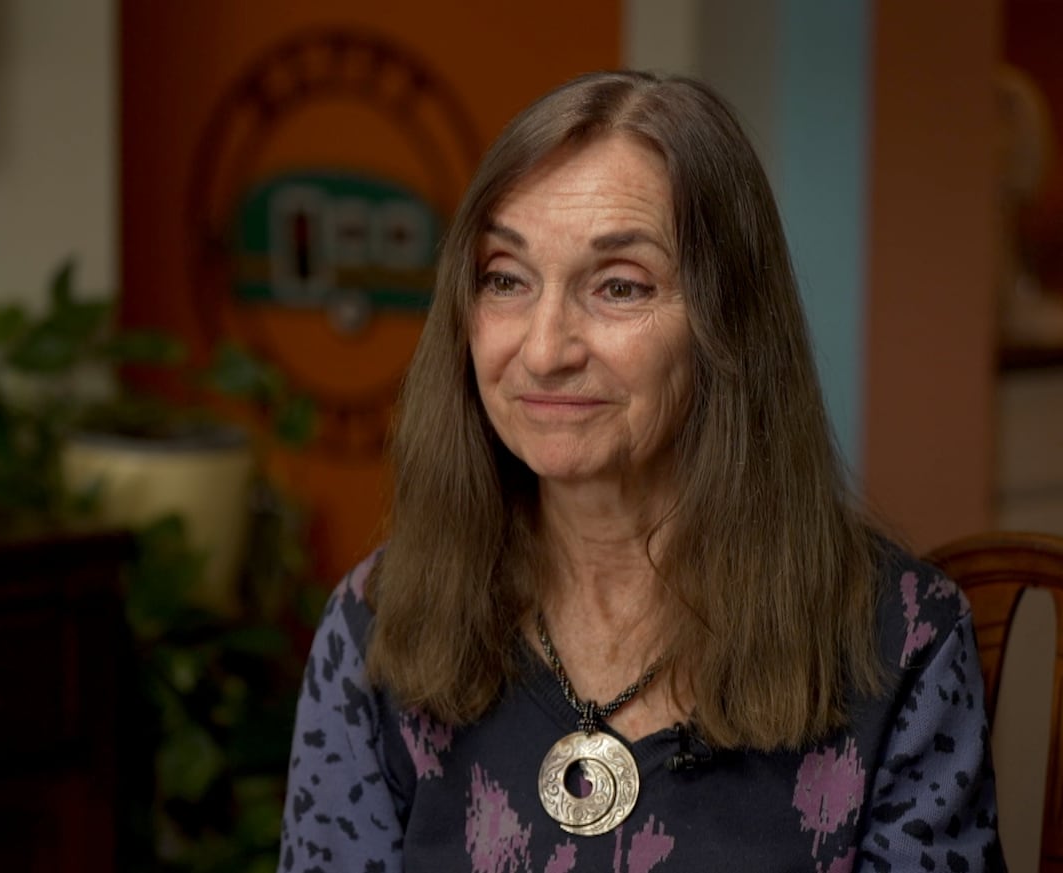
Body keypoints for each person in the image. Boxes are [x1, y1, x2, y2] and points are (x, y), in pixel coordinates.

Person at [280, 70, 1006, 872]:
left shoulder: (903, 640)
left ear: (729, 322)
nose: (547, 349)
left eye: (619, 286)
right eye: (506, 279)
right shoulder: (377, 624)